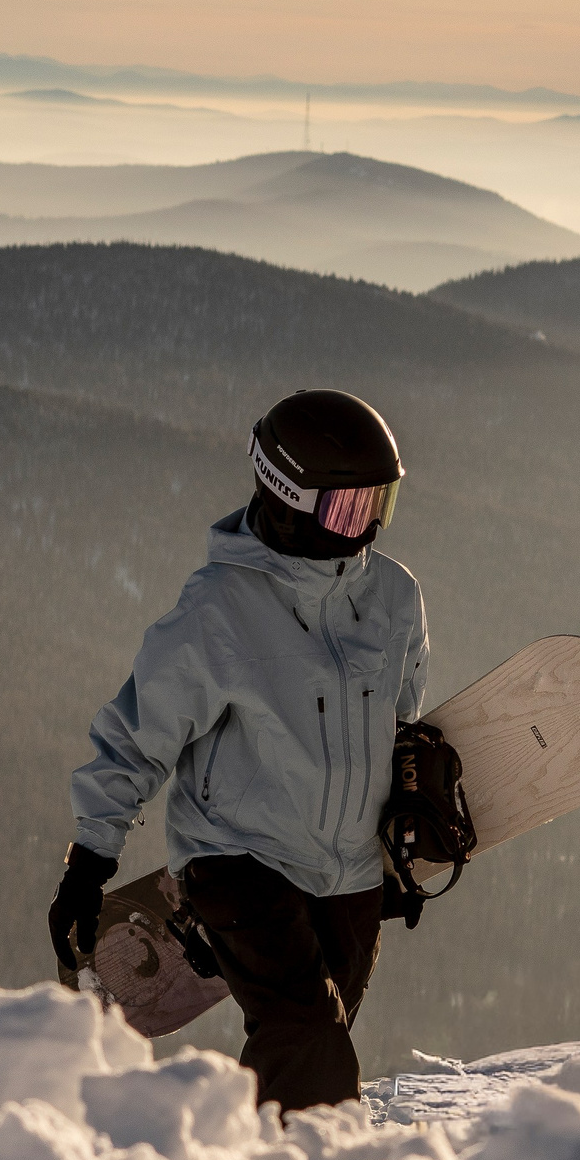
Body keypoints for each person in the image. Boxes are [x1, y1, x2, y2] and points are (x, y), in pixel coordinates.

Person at [49, 388, 432, 1110]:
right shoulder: (217, 610)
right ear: (287, 499)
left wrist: (397, 836)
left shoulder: (394, 596)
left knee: (309, 1037)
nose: (367, 529)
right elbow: (135, 737)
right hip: (237, 859)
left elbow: (398, 718)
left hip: (348, 870)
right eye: (348, 509)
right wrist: (89, 861)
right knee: (309, 1034)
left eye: (379, 505)